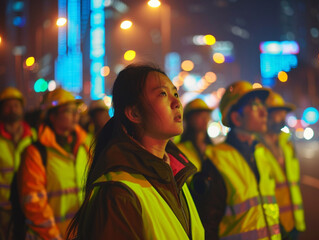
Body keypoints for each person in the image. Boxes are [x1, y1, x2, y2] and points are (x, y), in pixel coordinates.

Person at [66, 64, 204, 240]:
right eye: (162, 93)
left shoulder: (176, 176)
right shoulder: (118, 194)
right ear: (134, 113)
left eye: (175, 93)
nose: (177, 102)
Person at [207, 81, 281, 239]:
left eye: (262, 105)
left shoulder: (261, 153)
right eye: (254, 105)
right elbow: (209, 227)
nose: (264, 112)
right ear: (236, 118)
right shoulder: (217, 160)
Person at [18, 88, 90, 239]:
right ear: (52, 115)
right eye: (69, 111)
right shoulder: (35, 153)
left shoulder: (85, 146)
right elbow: (34, 204)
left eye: (76, 110)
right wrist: (54, 236)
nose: (76, 115)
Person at [177, 98, 226, 240]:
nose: (204, 119)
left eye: (206, 115)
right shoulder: (180, 151)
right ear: (189, 119)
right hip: (194, 208)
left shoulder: (214, 150)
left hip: (215, 210)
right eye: (199, 115)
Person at [261, 91, 306, 240]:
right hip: (272, 224)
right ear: (266, 115)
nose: (282, 118)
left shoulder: (287, 144)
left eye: (283, 113)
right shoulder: (256, 147)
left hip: (293, 222)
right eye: (277, 113)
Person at [0, 87, 36, 240]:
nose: (12, 109)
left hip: (27, 206)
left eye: (16, 105)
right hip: (2, 208)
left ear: (22, 108)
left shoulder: (34, 136)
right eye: (8, 105)